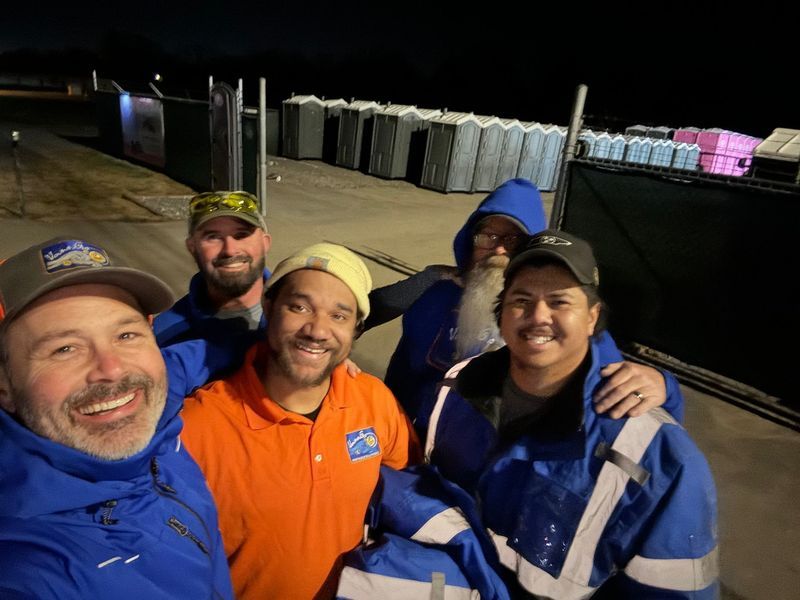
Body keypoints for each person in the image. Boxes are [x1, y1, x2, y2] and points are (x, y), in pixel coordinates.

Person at [423, 230, 718, 598]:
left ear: (593, 317)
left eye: (559, 302)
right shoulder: (458, 387)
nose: (538, 316)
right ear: (502, 313)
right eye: (521, 299)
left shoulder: (662, 460)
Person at [180, 242, 421, 599]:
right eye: (299, 307)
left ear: (356, 328)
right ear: (268, 307)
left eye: (339, 316)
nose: (318, 330)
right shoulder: (199, 426)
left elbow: (410, 492)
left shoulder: (373, 400)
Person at [0, 237, 234, 599]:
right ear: (5, 387)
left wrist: (280, 347)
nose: (111, 369)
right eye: (65, 349)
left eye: (126, 334)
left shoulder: (154, 409)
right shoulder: (30, 570)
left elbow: (189, 360)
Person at [383, 178, 673, 437]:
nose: (498, 250)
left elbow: (632, 396)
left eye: (513, 240)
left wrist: (664, 385)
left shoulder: (561, 321)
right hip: (423, 448)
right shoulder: (434, 300)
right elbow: (401, 378)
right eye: (488, 237)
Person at [153, 190, 272, 352]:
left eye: (241, 235)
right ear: (192, 247)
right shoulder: (164, 339)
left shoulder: (305, 315)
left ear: (265, 243)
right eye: (213, 237)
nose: (230, 250)